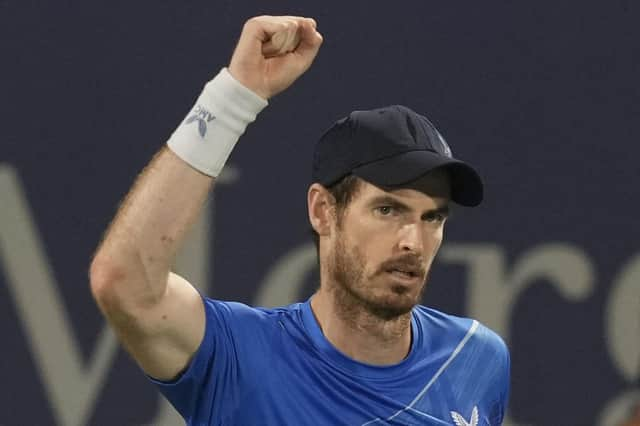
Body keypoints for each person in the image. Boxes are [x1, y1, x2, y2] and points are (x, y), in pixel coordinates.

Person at [90, 15, 510, 425]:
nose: (413, 242)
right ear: (323, 211)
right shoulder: (239, 359)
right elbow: (124, 282)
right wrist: (234, 98)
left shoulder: (477, 359)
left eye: (432, 217)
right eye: (388, 210)